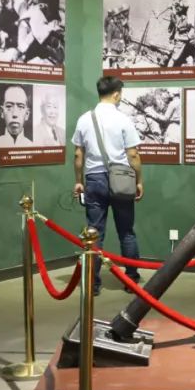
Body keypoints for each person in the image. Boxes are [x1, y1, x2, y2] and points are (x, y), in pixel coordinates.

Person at [72, 76, 145, 295]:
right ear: (116, 94)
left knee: (94, 233)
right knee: (127, 232)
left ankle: (93, 284)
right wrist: (139, 181)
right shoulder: (123, 119)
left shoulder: (84, 119)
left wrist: (78, 181)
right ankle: (131, 280)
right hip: (121, 179)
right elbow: (133, 155)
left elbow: (78, 155)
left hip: (94, 180)